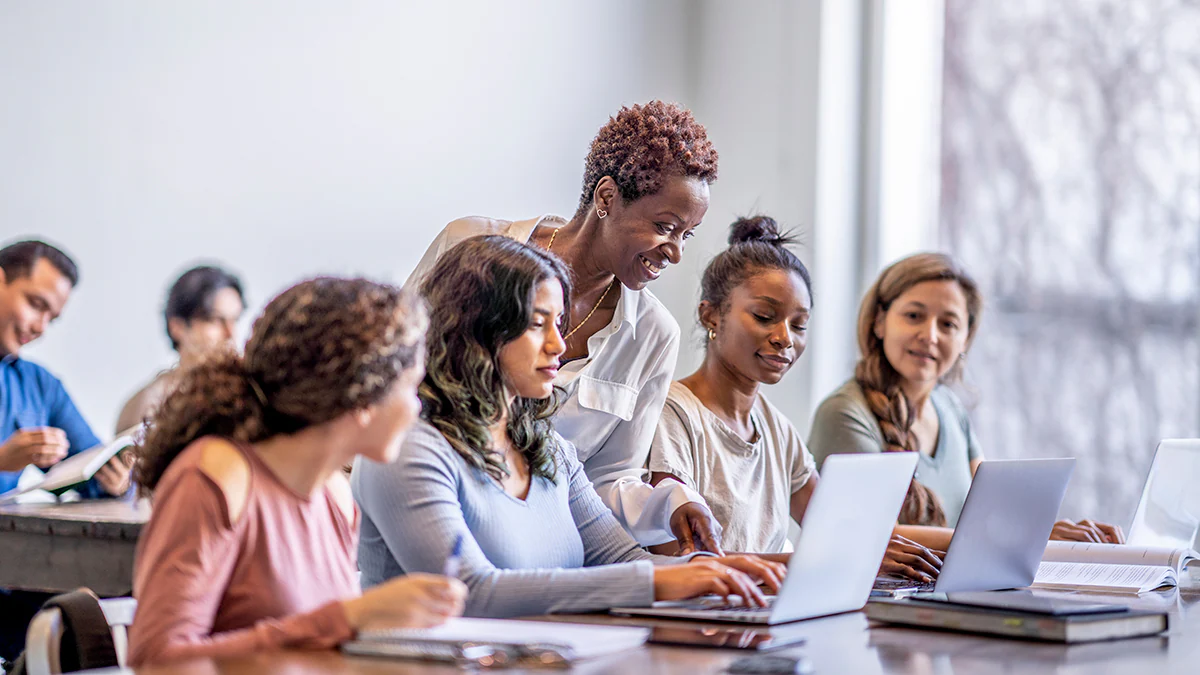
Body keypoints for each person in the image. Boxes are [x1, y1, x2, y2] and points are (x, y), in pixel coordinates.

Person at [354, 236, 787, 618]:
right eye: (537, 323)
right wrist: (659, 583)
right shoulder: (407, 448)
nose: (559, 345)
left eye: (557, 323)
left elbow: (619, 560)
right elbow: (470, 592)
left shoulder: (547, 447)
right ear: (476, 329)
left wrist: (714, 568)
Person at [406, 101, 724, 553]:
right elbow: (384, 379)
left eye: (685, 235)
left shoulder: (654, 334)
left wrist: (669, 506)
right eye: (665, 227)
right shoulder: (470, 249)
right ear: (607, 198)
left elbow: (608, 482)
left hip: (542, 547)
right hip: (429, 506)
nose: (674, 252)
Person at [127, 278, 466, 666]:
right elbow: (156, 659)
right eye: (410, 388)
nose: (416, 408)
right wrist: (349, 618)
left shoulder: (336, 496)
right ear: (363, 396)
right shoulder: (216, 477)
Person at [647, 217, 942, 581]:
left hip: (768, 615)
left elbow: (839, 528)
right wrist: (845, 556)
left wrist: (876, 549)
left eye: (799, 325)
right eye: (764, 316)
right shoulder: (672, 415)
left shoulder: (777, 430)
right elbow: (682, 561)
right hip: (705, 623)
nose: (785, 338)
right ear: (710, 314)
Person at [807, 252, 1124, 550]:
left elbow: (994, 513)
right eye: (914, 316)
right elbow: (876, 535)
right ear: (879, 322)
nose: (930, 335)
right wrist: (1030, 536)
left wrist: (1046, 529)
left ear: (965, 339)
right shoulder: (845, 413)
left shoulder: (950, 408)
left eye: (948, 324)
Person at [0, 240, 132, 665]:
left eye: (51, 318)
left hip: (11, 568)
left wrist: (114, 479)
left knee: (95, 610)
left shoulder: (38, 385)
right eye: (35, 304)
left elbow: (92, 456)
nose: (39, 326)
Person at [115, 265, 246, 433]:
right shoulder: (151, 404)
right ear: (177, 327)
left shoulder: (246, 392)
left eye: (235, 320)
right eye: (215, 320)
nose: (231, 334)